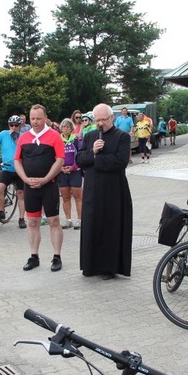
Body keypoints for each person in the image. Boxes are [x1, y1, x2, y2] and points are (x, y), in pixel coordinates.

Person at [75, 103, 133, 280]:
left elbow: (120, 161)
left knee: (110, 227)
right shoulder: (90, 135)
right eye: (97, 120)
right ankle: (91, 265)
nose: (101, 123)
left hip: (113, 190)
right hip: (92, 189)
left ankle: (109, 267)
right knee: (92, 225)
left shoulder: (122, 136)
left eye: (104, 119)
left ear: (111, 118)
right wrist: (93, 152)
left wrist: (96, 160)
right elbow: (80, 158)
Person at [14, 104, 65, 272]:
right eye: (32, 118)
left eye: (38, 118)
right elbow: (17, 161)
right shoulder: (23, 137)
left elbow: (60, 160)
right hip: (30, 187)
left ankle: (57, 256)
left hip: (48, 185)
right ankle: (34, 256)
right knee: (32, 222)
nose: (35, 122)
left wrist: (45, 179)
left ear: (45, 118)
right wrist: (25, 179)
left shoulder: (54, 136)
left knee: (53, 221)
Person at [58, 118, 83, 229]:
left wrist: (74, 167)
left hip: (75, 171)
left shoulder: (77, 140)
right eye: (63, 127)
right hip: (62, 172)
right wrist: (60, 168)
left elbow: (81, 156)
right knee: (65, 197)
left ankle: (80, 220)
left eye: (68, 126)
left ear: (72, 128)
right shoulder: (58, 140)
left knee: (78, 197)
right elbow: (55, 156)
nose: (65, 129)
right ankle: (68, 220)